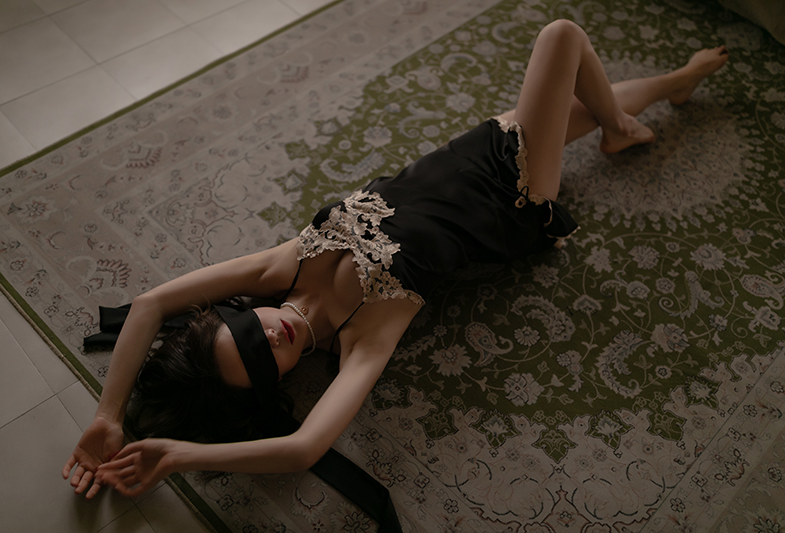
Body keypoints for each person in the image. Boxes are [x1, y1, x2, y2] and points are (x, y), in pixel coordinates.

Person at [63, 20, 728, 500]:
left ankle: (666, 91)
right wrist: (180, 457)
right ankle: (623, 125)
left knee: (579, 104)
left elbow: (150, 304)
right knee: (561, 38)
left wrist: (108, 415)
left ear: (239, 312)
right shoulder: (364, 336)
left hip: (469, 153)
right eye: (265, 360)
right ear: (278, 380)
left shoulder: (281, 266)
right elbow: (303, 447)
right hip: (516, 197)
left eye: (248, 332)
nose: (273, 336)